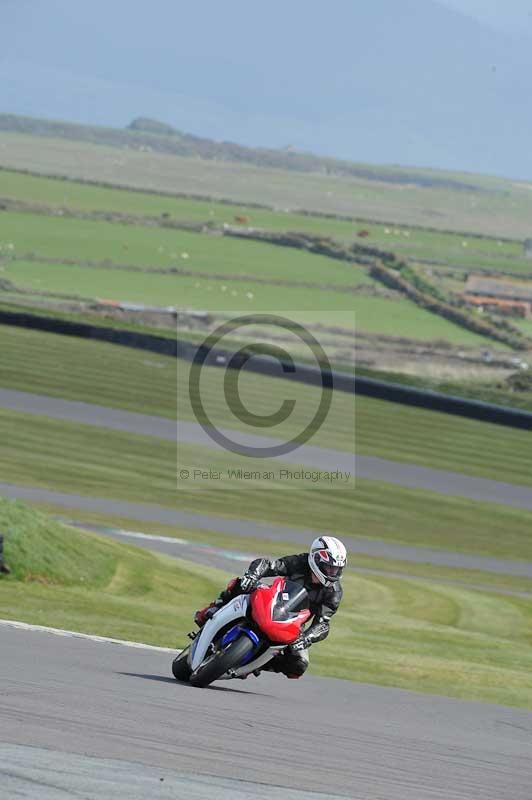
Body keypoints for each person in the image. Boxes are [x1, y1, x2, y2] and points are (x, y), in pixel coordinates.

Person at [194, 536, 347, 679]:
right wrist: (252, 575)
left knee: (299, 666)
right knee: (242, 584)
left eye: (336, 569)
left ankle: (258, 663)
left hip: (293, 623)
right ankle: (214, 608)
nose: (333, 572)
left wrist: (307, 638)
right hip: (273, 600)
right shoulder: (300, 562)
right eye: (328, 567)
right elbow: (269, 565)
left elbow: (323, 623)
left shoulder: (334, 593)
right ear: (316, 560)